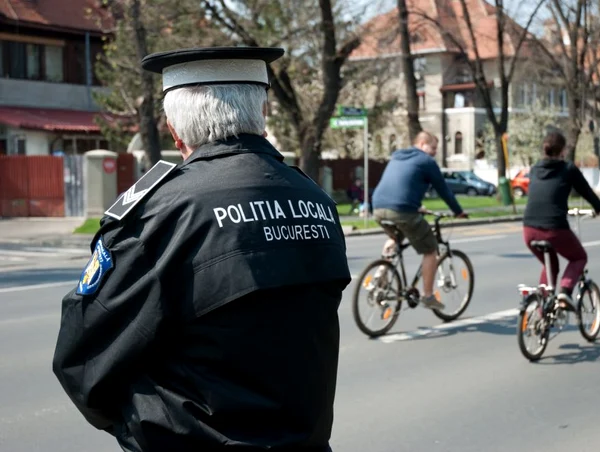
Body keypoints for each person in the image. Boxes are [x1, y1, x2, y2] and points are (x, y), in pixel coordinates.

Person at [52, 47, 351, 452]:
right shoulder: (316, 200)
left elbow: (83, 358)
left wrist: (143, 430)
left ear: (176, 132)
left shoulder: (162, 213)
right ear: (261, 115)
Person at [371, 131, 468, 310]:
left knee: (396, 237)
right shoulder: (426, 161)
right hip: (401, 211)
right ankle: (428, 296)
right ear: (422, 143)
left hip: (377, 207)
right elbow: (443, 189)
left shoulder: (398, 157)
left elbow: (400, 186)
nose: (434, 153)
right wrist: (458, 211)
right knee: (431, 249)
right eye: (433, 148)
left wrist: (415, 206)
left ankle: (381, 272)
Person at [522, 131, 600, 311]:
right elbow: (586, 191)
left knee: (550, 265)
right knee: (579, 257)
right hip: (553, 228)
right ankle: (565, 293)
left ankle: (541, 312)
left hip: (528, 229)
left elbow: (544, 195)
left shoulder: (535, 168)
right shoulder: (567, 169)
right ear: (562, 150)